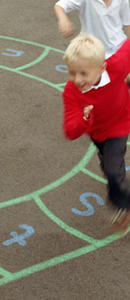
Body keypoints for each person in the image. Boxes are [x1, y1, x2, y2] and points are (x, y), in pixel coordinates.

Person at [62, 33, 130, 231]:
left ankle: (124, 204)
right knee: (108, 165)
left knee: (111, 169)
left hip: (120, 122)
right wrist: (83, 121)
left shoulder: (116, 66)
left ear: (102, 68)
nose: (77, 79)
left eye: (84, 73)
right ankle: (119, 191)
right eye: (72, 73)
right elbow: (70, 131)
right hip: (97, 132)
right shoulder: (71, 92)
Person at [54, 0, 130, 59]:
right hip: (92, 52)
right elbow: (59, 5)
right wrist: (63, 19)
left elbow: (127, 24)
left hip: (117, 48)